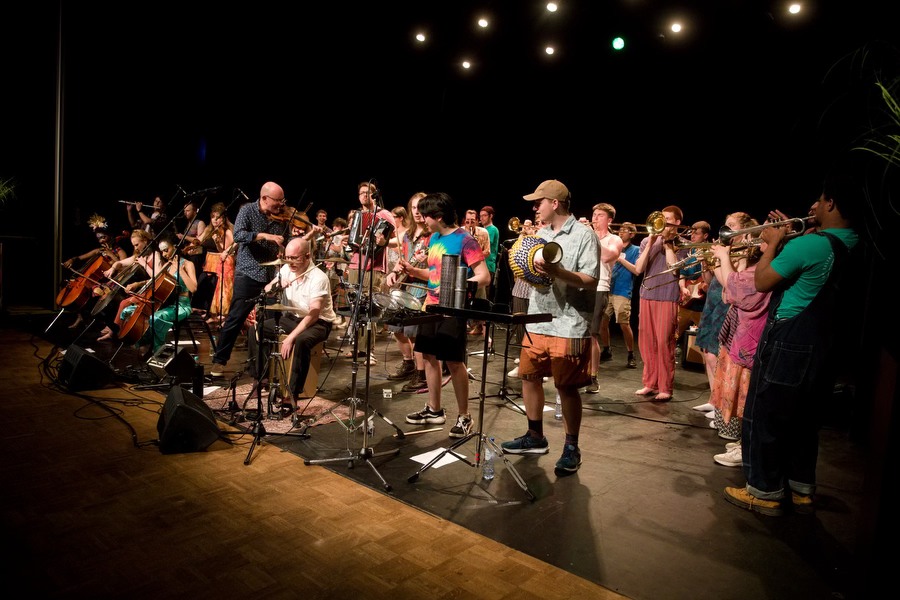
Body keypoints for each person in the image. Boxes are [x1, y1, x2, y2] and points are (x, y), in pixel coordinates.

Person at [724, 171, 859, 516]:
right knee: (804, 418)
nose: (812, 206)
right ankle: (801, 488)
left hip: (789, 341)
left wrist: (771, 245)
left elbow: (763, 280)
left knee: (765, 415)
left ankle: (764, 491)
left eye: (820, 199)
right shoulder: (852, 241)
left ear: (831, 203)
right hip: (824, 343)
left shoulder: (810, 243)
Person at [500, 180, 599, 474]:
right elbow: (531, 274)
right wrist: (522, 263)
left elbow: (590, 279)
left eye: (538, 202)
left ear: (555, 203)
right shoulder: (540, 234)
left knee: (566, 387)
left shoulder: (584, 235)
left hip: (568, 321)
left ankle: (571, 446)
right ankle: (535, 436)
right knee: (529, 377)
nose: (534, 207)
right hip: (537, 316)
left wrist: (558, 272)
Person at [403, 192, 490, 439]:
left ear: (438, 216)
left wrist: (453, 286)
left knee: (453, 362)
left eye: (426, 215)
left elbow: (484, 276)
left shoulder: (465, 240)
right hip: (431, 306)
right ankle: (434, 409)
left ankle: (465, 416)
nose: (422, 219)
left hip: (453, 308)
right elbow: (433, 275)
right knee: (429, 356)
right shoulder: (434, 237)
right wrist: (412, 271)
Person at [247, 237, 336, 414]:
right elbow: (266, 289)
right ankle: (260, 378)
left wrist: (291, 338)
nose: (290, 262)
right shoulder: (287, 268)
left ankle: (292, 394)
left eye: (294, 258)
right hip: (293, 317)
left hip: (318, 322)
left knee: (301, 341)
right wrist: (277, 286)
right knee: (256, 329)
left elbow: (314, 313)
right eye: (287, 257)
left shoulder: (319, 278)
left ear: (307, 256)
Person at [209, 182, 288, 378]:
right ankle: (219, 361)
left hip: (270, 276)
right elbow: (239, 235)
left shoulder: (280, 217)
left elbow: (281, 241)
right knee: (236, 318)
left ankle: (267, 365)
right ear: (264, 198)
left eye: (282, 201)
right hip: (248, 273)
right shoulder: (247, 211)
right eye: (277, 201)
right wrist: (264, 236)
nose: (280, 205)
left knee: (270, 321)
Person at [706, 228, 772, 466]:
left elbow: (735, 291)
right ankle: (745, 443)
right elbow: (728, 294)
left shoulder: (763, 271)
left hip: (749, 341)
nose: (756, 239)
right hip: (741, 336)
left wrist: (724, 257)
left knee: (745, 398)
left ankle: (746, 450)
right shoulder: (759, 269)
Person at [690, 212, 754, 416]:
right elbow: (710, 281)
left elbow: (730, 282)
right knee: (708, 353)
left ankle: (721, 404)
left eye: (731, 225)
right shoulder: (728, 249)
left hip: (726, 306)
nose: (725, 229)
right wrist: (705, 263)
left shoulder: (745, 251)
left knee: (717, 355)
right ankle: (713, 398)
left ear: (744, 229)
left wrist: (718, 260)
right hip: (713, 301)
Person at [632, 205, 688, 402]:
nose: (663, 222)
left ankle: (665, 386)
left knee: (665, 342)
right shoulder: (647, 240)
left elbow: (674, 270)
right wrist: (651, 243)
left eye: (667, 218)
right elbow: (638, 269)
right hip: (646, 294)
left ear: (677, 222)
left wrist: (667, 245)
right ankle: (650, 383)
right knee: (647, 342)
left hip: (666, 296)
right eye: (661, 218)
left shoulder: (683, 244)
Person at [116, 235, 198, 355]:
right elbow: (155, 280)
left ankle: (157, 350)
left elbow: (194, 288)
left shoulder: (187, 264)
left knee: (155, 317)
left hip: (182, 305)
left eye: (166, 250)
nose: (164, 254)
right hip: (166, 303)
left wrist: (180, 271)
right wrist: (138, 284)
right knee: (128, 310)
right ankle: (143, 341)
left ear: (175, 247)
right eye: (162, 252)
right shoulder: (167, 266)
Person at [345, 181, 396, 360]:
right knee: (355, 306)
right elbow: (353, 239)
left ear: (374, 195)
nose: (364, 196)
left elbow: (396, 238)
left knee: (369, 307)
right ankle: (357, 346)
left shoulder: (384, 214)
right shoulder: (358, 215)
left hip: (374, 264)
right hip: (355, 263)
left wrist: (383, 242)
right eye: (361, 193)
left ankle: (369, 350)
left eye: (368, 193)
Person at [384, 192, 430, 388]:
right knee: (395, 326)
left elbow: (436, 268)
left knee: (414, 332)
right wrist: (393, 272)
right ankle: (408, 362)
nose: (417, 212)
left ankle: (421, 374)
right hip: (405, 285)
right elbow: (403, 261)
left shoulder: (433, 235)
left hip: (422, 286)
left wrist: (421, 265)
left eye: (421, 207)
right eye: (413, 208)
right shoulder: (407, 235)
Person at [60, 216, 129, 330]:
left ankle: (106, 322)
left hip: (113, 280)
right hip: (100, 280)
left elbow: (123, 268)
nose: (101, 240)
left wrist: (111, 255)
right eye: (99, 238)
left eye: (103, 237)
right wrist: (72, 259)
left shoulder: (120, 251)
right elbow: (81, 257)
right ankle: (80, 316)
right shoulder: (99, 251)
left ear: (110, 236)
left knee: (96, 292)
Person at [96, 229, 161, 342]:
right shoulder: (138, 256)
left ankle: (117, 332)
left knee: (123, 303)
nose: (135, 248)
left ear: (145, 241)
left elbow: (157, 277)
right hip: (137, 290)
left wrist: (144, 265)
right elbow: (120, 262)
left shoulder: (155, 255)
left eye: (137, 244)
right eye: (133, 245)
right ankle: (114, 330)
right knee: (110, 302)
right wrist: (112, 268)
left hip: (150, 292)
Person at [586, 202, 623, 393]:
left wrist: (590, 236)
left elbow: (608, 256)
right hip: (580, 286)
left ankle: (593, 377)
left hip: (599, 288)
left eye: (600, 215)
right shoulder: (586, 235)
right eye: (594, 214)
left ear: (609, 220)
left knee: (592, 336)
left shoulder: (613, 239)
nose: (595, 218)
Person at [599, 221, 640, 369]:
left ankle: (631, 354)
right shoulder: (613, 246)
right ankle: (607, 349)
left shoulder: (635, 250)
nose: (621, 232)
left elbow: (637, 270)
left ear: (632, 234)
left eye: (625, 230)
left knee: (623, 323)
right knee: (602, 322)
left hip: (622, 290)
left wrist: (621, 259)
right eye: (620, 230)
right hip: (608, 289)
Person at [198, 202, 236, 328]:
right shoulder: (210, 229)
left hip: (226, 261)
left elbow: (225, 250)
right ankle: (214, 314)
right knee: (215, 288)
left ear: (223, 218)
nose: (215, 220)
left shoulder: (227, 231)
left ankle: (224, 315)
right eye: (213, 217)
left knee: (224, 288)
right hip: (216, 260)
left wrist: (217, 242)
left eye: (218, 217)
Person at [675, 221, 711, 346]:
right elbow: (682, 274)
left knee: (705, 340)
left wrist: (705, 285)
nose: (692, 236)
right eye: (692, 233)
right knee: (674, 334)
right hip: (687, 302)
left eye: (696, 233)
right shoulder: (690, 251)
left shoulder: (711, 251)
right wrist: (682, 288)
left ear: (705, 236)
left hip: (703, 307)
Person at [464, 209, 492, 335]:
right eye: (467, 221)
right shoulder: (460, 232)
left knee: (480, 300)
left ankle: (486, 335)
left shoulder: (483, 232)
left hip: (478, 270)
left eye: (472, 221)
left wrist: (475, 255)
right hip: (465, 270)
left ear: (477, 221)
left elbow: (488, 251)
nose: (470, 224)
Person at [176, 198, 207, 275]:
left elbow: (200, 242)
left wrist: (184, 237)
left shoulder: (200, 223)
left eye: (188, 211)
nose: (185, 213)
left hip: (196, 256)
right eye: (184, 211)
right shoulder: (188, 224)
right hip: (187, 254)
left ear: (195, 211)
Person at [479, 205, 500, 301]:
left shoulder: (492, 229)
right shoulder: (482, 230)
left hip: (488, 265)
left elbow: (485, 244)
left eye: (484, 215)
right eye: (480, 216)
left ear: (491, 216)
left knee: (485, 296)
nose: (481, 218)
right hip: (481, 264)